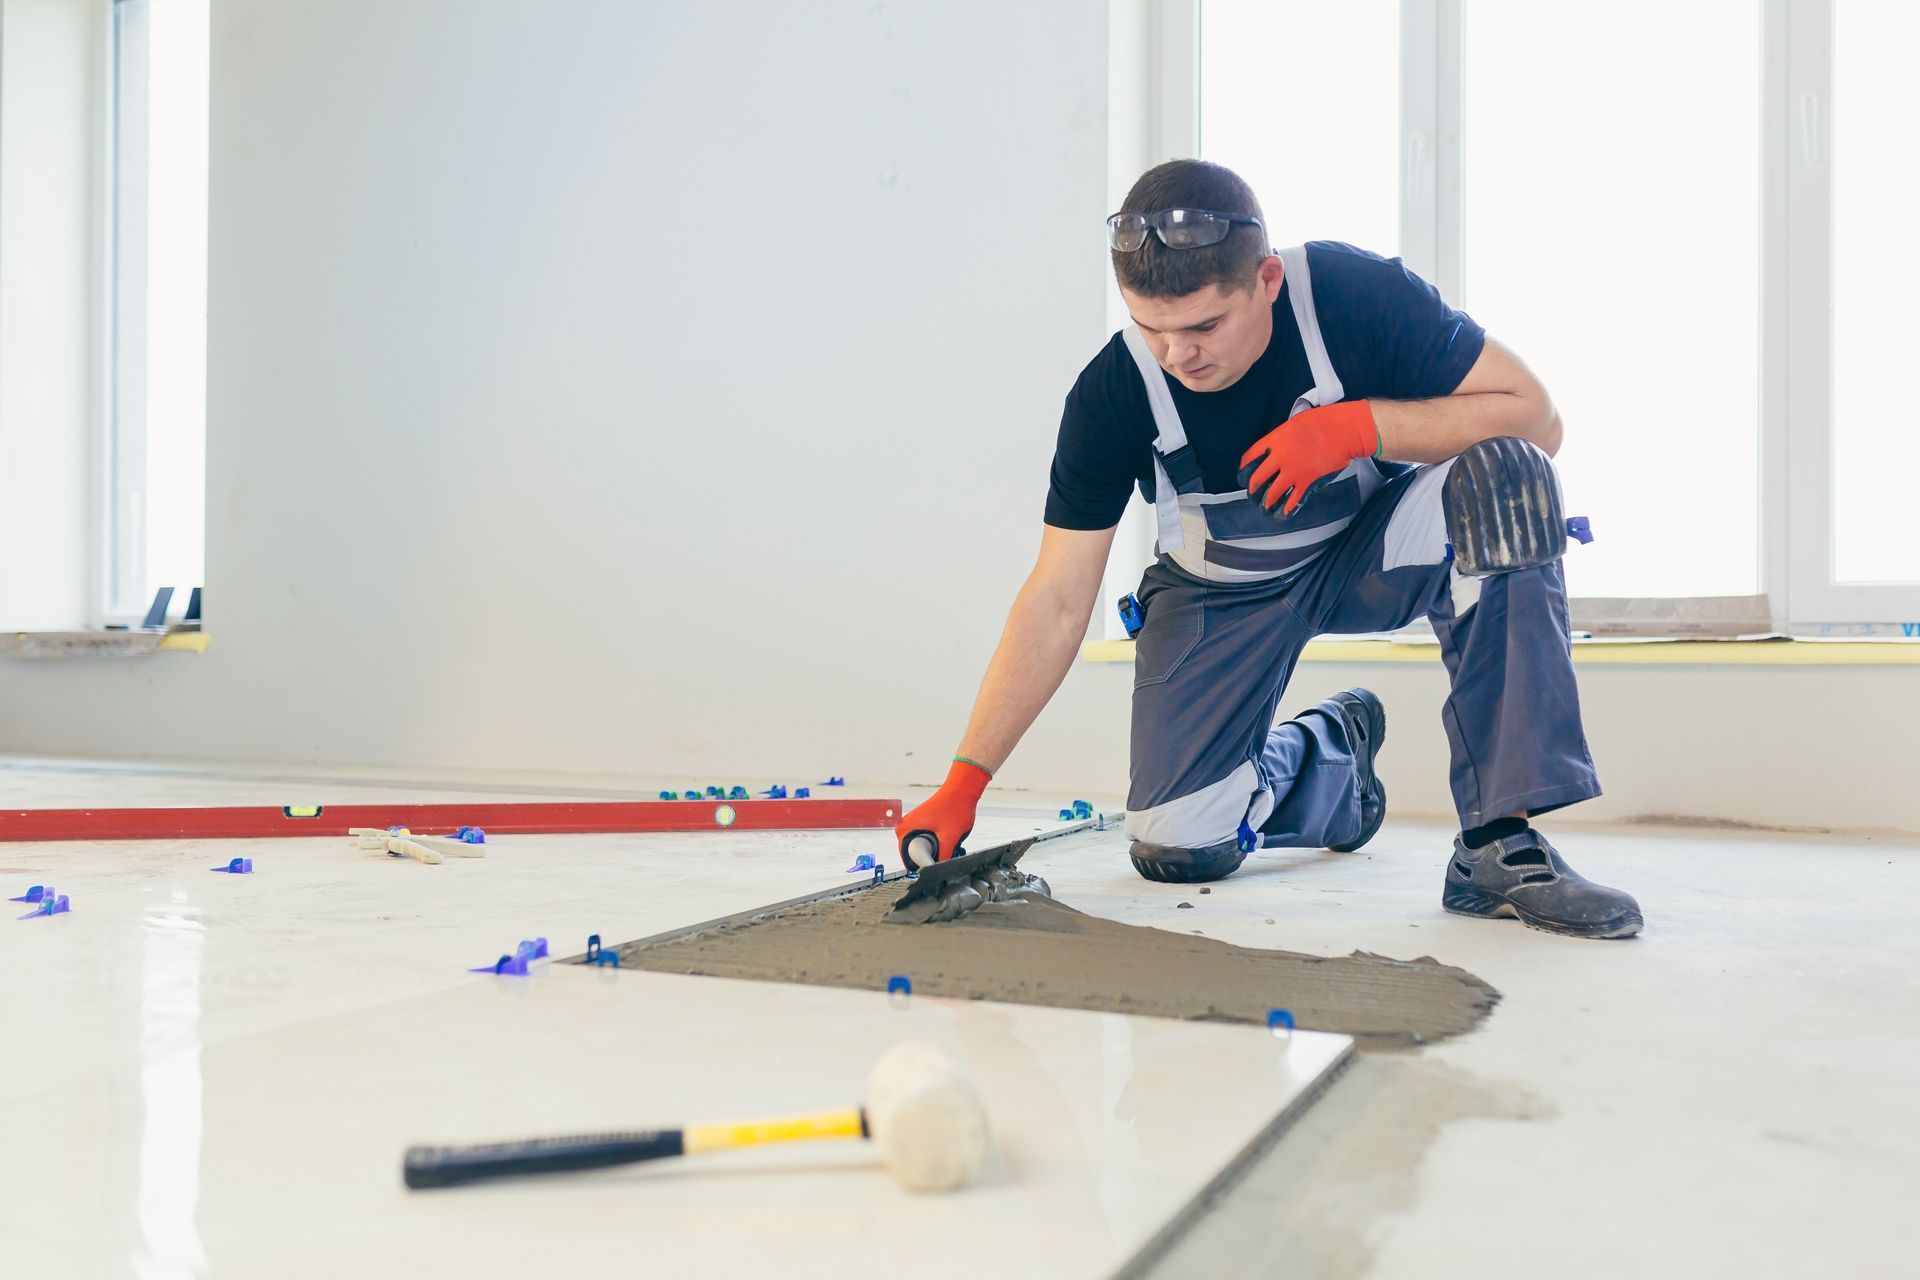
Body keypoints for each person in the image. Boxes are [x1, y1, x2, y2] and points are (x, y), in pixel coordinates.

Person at [895, 159, 1641, 939]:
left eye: (1205, 326)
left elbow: (1537, 419)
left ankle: (1498, 842)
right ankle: (1332, 758)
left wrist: (1357, 428)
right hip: (1218, 596)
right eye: (1153, 328)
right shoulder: (1112, 394)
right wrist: (965, 780)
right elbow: (1055, 598)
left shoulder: (1352, 297)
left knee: (1507, 473)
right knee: (1176, 844)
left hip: (1368, 555)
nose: (1179, 355)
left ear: (1268, 280)